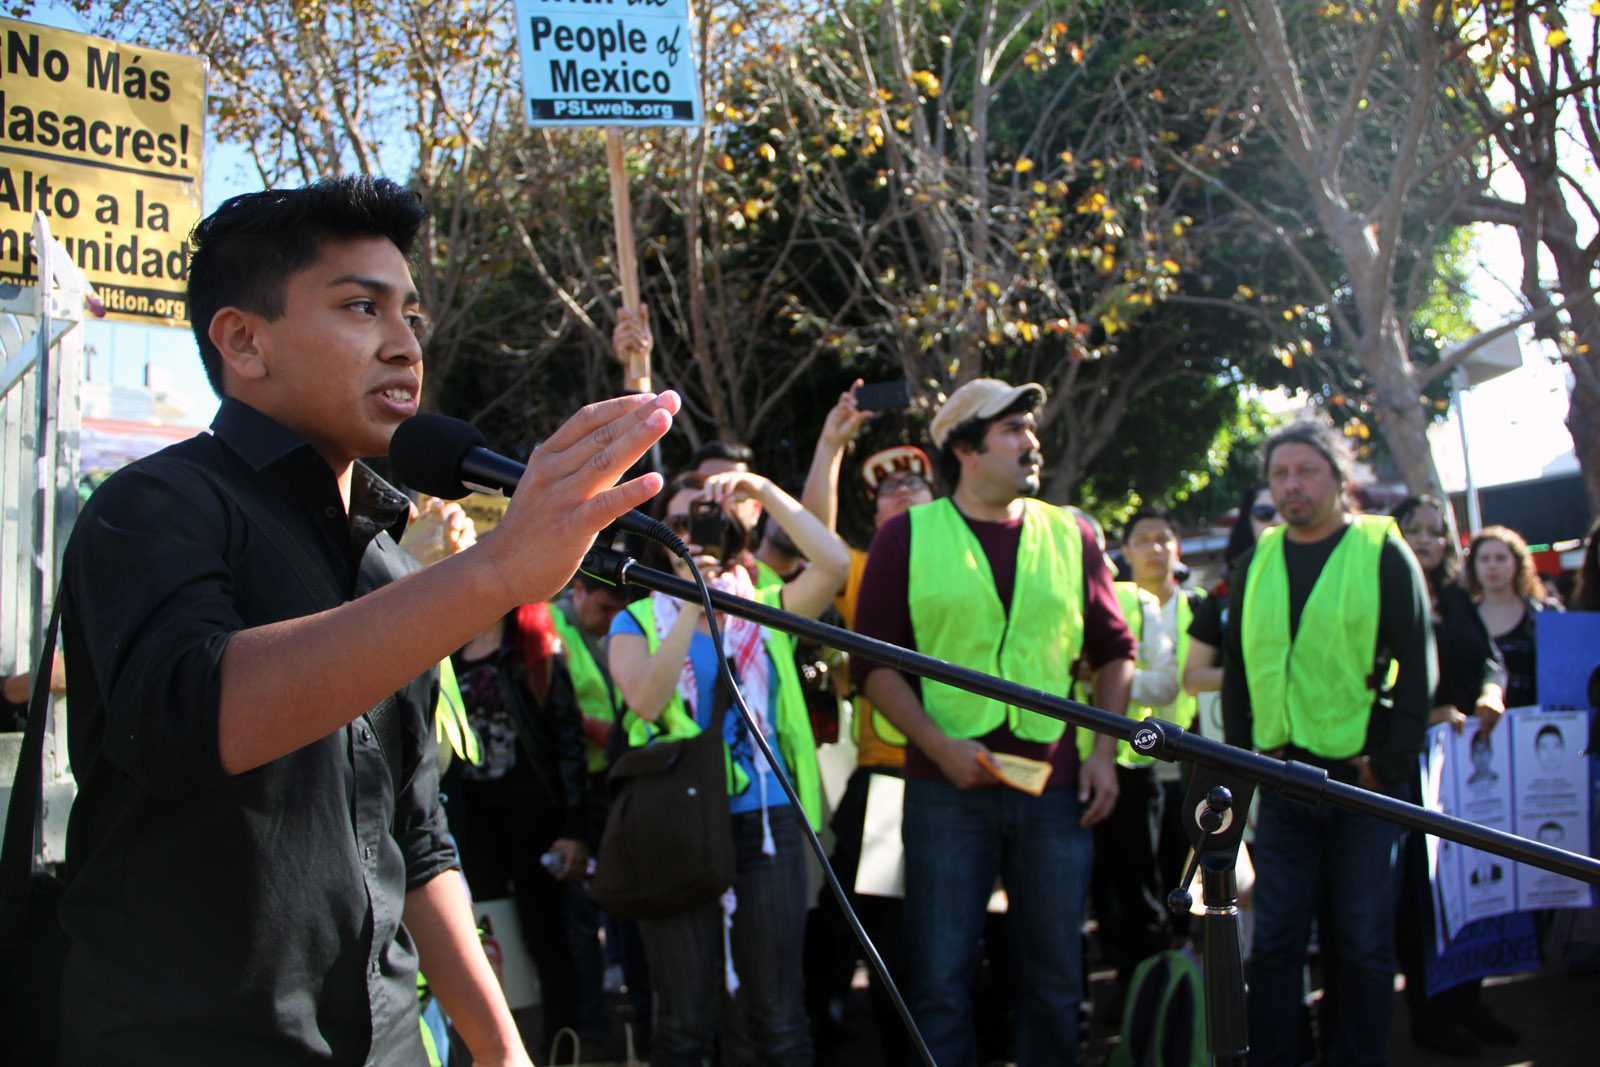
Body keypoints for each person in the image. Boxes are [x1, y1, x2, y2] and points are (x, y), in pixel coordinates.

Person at [54, 176, 678, 1064]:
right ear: (242, 340)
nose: (403, 345)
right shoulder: (152, 504)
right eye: (361, 307)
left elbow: (416, 837)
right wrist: (495, 568)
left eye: (411, 316)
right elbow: (188, 713)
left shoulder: (388, 563)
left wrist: (501, 1049)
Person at [852, 377, 1134, 1066]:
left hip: (1056, 790)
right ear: (966, 449)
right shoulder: (906, 538)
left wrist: (1103, 755)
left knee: (1056, 979)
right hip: (944, 788)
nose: (1031, 442)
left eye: (1029, 429)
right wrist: (939, 746)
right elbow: (873, 667)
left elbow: (1114, 651)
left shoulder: (1072, 533)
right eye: (1013, 430)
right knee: (939, 981)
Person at [606, 468, 849, 1067]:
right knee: (684, 1023)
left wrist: (763, 491)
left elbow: (834, 565)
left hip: (765, 825)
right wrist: (690, 606)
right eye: (678, 524)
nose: (692, 535)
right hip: (677, 825)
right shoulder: (633, 621)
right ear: (658, 538)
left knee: (780, 1018)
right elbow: (644, 700)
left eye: (705, 520)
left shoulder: (762, 608)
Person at [1221, 421, 1435, 1067]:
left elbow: (1419, 668)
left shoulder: (1381, 549)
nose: (1291, 484)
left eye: (1306, 471)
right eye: (1280, 473)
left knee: (1364, 941)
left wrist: (1390, 761)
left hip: (1365, 785)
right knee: (1279, 942)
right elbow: (1239, 676)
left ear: (1342, 482)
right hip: (1284, 785)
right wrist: (1240, 765)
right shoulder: (1254, 559)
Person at [798, 380, 934, 1062]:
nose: (902, 489)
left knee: (987, 928)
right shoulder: (861, 569)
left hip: (984, 779)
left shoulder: (970, 559)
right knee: (881, 921)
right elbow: (814, 542)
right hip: (893, 783)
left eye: (916, 482)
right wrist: (831, 443)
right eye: (887, 488)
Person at [1389, 494, 1515, 1058]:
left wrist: (1491, 694)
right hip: (1409, 769)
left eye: (1434, 532)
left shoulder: (1462, 598)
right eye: (1412, 529)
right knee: (1422, 895)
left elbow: (1490, 661)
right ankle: (1427, 1013)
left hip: (1470, 771)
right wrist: (1427, 715)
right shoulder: (1382, 593)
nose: (1424, 540)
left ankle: (1469, 1000)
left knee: (1472, 884)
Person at [443, 602, 600, 1055]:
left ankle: (560, 1047)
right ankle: (495, 1050)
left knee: (544, 934)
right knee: (485, 938)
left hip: (534, 817)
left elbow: (568, 741)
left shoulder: (537, 646)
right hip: (472, 821)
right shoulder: (449, 647)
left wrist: (574, 830)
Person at [1466, 524, 1557, 709]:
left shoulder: (1545, 613)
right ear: (1473, 566)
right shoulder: (1463, 617)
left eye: (1501, 558)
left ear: (1517, 562)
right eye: (1484, 559)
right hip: (1479, 727)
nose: (1493, 566)